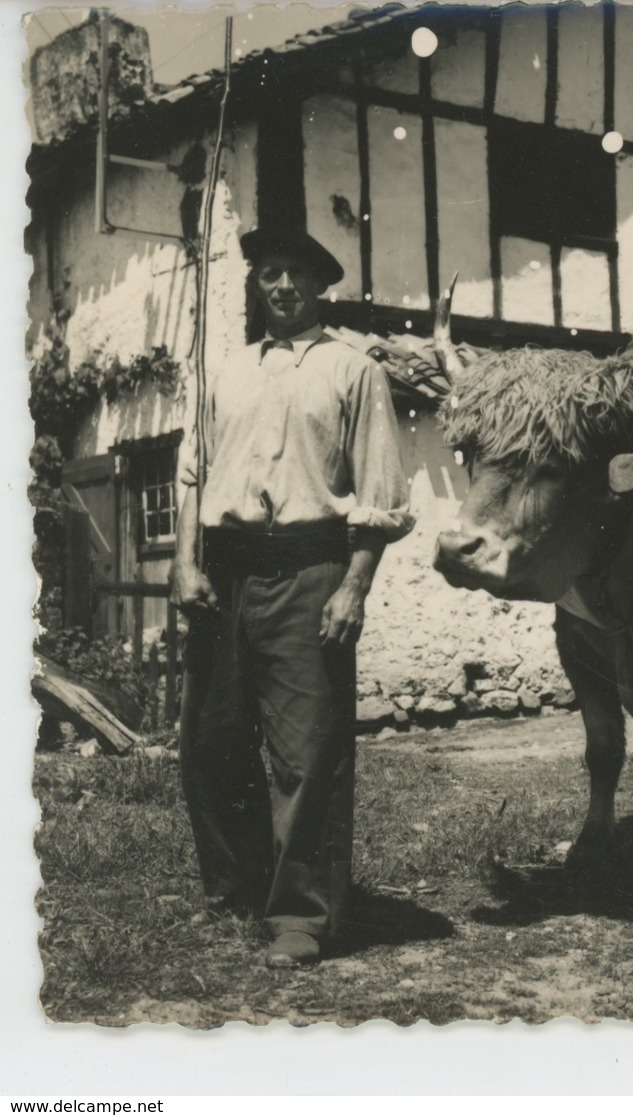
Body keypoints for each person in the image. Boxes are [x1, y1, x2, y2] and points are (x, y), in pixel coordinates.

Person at [171, 228, 414, 969]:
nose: (281, 285)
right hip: (224, 571)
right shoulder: (225, 370)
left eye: (295, 274)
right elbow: (191, 476)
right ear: (256, 286)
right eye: (269, 274)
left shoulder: (352, 369)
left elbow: (380, 497)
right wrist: (185, 563)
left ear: (319, 285)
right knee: (209, 744)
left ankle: (300, 915)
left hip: (310, 569)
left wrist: (354, 587)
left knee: (306, 752)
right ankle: (234, 889)